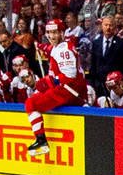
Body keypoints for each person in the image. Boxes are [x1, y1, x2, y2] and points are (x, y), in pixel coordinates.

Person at [26, 17, 88, 157]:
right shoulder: (60, 47)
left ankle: (41, 140)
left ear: (61, 33)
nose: (51, 36)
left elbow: (68, 78)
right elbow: (52, 49)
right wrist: (42, 47)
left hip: (69, 90)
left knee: (31, 103)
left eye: (55, 32)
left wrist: (44, 83)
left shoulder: (63, 51)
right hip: (72, 90)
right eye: (49, 33)